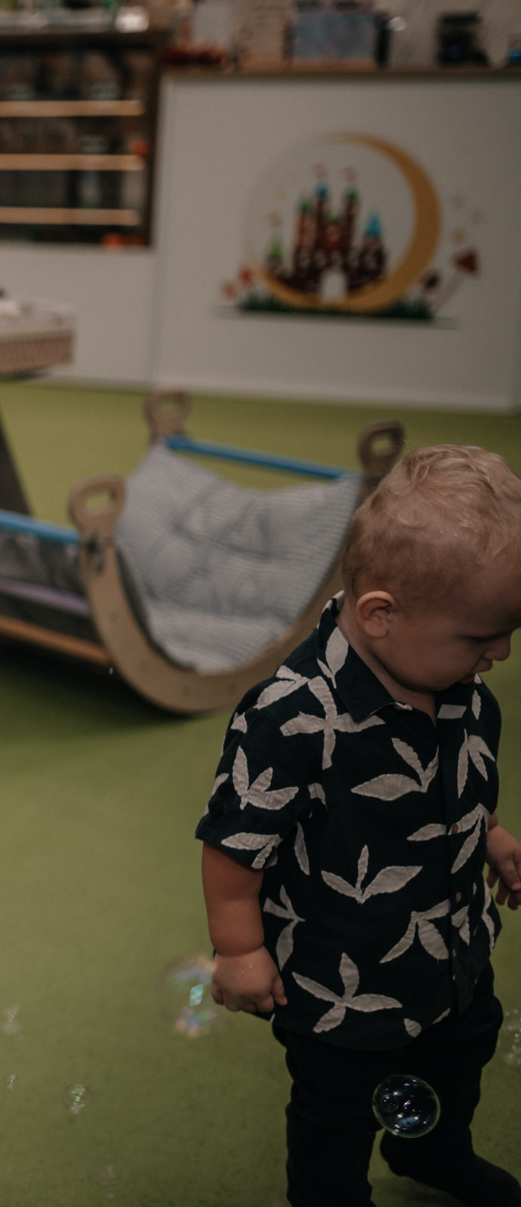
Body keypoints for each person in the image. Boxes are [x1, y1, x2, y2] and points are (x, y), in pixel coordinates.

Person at [196, 444, 521, 1207]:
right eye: (480, 636)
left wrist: (491, 833)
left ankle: (432, 1151)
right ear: (380, 614)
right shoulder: (290, 717)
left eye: (508, 631)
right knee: (335, 1112)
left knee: (461, 1055)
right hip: (343, 981)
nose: (501, 652)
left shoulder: (460, 685)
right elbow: (234, 843)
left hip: (451, 951)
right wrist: (238, 947)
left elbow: (453, 782)